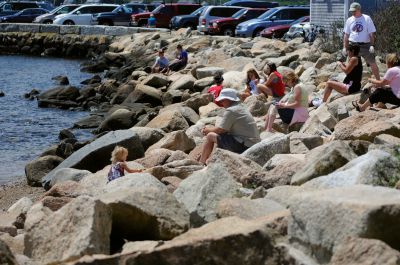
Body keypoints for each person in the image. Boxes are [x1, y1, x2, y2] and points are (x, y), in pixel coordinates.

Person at [199, 88, 260, 165]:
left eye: (223, 100)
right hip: (252, 143)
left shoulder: (231, 110)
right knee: (222, 137)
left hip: (244, 145)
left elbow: (221, 130)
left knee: (210, 136)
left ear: (229, 99)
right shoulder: (241, 107)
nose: (221, 102)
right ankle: (213, 159)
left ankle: (201, 163)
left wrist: (207, 130)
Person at [343, 2, 380, 80]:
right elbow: (346, 35)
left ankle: (378, 81)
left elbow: (371, 34)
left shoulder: (367, 18)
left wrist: (372, 45)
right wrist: (344, 47)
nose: (352, 12)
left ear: (359, 9)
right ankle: (350, 81)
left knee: (372, 63)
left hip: (365, 45)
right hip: (353, 45)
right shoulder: (349, 20)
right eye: (352, 11)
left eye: (354, 11)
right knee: (351, 64)